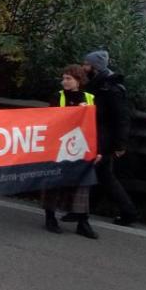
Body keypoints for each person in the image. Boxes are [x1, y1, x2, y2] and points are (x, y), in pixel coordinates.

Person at [82, 50, 138, 226]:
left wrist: (120, 144)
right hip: (99, 137)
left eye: (87, 64)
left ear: (95, 67)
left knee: (104, 176)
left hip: (104, 140)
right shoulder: (100, 85)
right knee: (101, 175)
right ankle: (84, 211)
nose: (84, 67)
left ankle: (128, 212)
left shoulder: (110, 89)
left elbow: (122, 117)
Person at [42, 65, 98, 239]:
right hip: (59, 145)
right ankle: (50, 218)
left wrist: (98, 149)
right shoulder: (57, 97)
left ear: (78, 81)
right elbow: (51, 120)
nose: (64, 82)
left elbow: (96, 124)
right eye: (63, 78)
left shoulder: (90, 98)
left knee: (83, 183)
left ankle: (83, 222)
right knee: (54, 181)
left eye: (68, 79)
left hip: (82, 146)